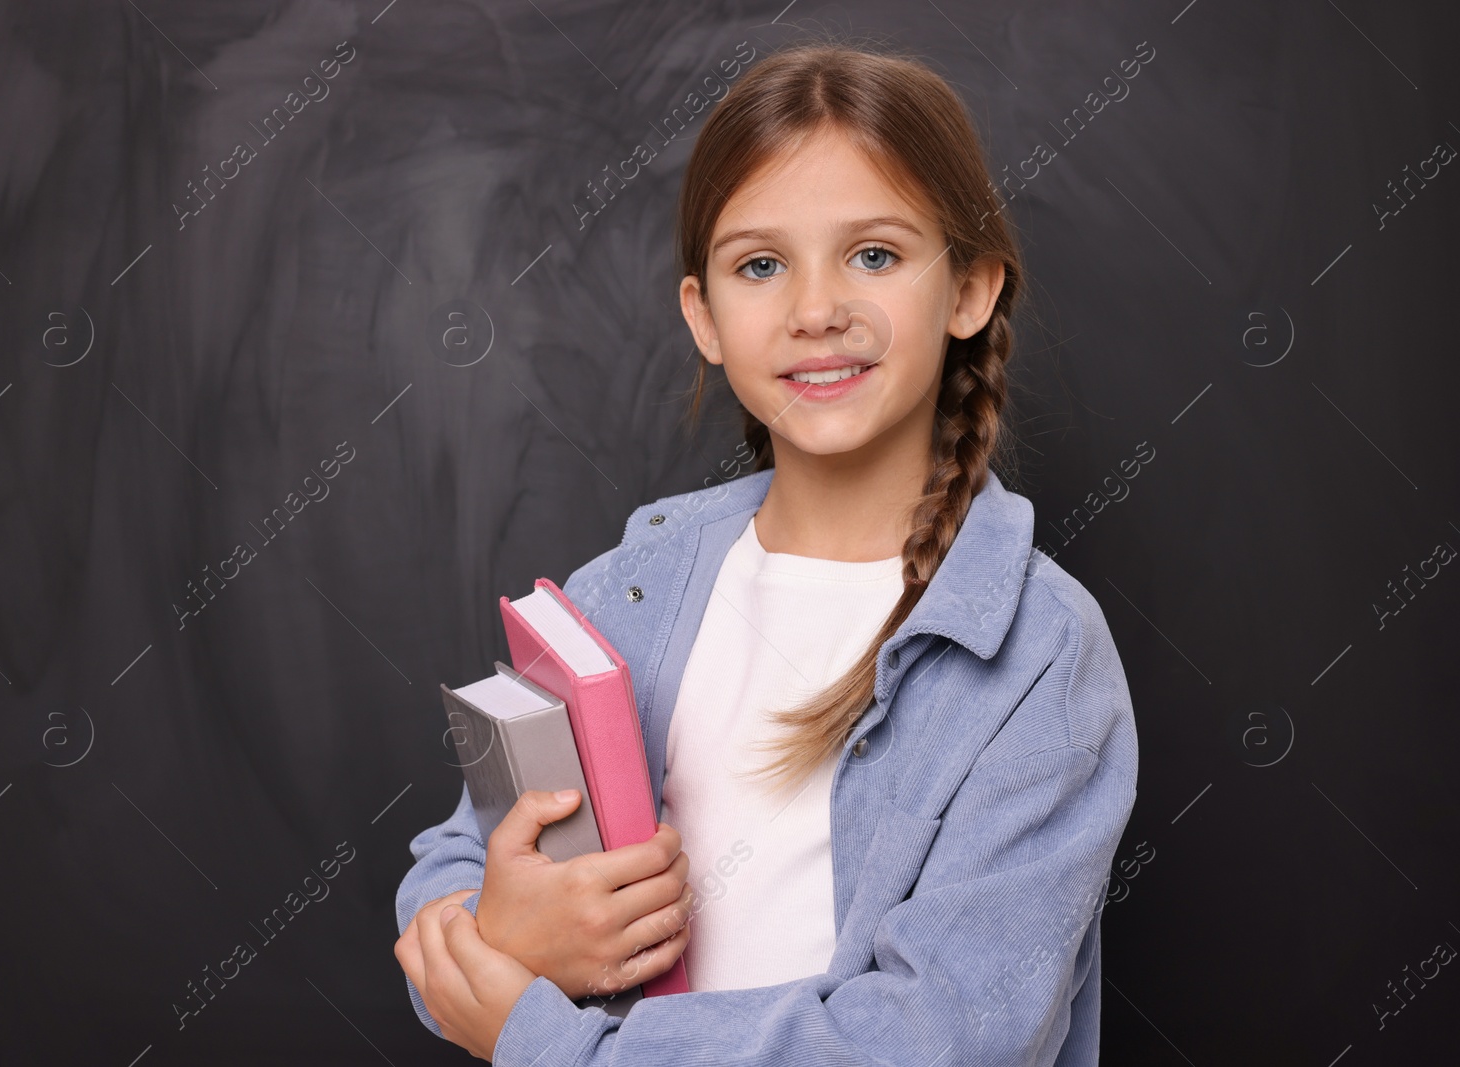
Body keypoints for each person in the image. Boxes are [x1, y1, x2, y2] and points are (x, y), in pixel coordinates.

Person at [394, 39, 1139, 1066]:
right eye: (760, 265)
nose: (814, 309)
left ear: (968, 290)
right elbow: (454, 857)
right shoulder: (627, 592)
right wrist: (503, 929)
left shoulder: (1039, 654)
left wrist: (551, 1041)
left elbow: (950, 1034)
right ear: (703, 316)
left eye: (873, 254)